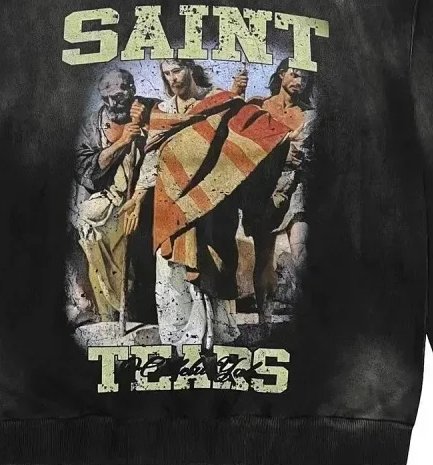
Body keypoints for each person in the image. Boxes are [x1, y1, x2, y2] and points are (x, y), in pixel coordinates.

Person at [118, 59, 291, 354]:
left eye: (177, 70)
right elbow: (152, 159)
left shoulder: (217, 102)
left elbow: (248, 128)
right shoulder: (162, 111)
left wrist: (278, 134)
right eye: (166, 73)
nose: (172, 78)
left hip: (210, 203)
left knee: (210, 267)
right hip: (169, 201)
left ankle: (210, 337)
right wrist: (137, 198)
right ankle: (179, 341)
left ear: (190, 68)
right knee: (171, 270)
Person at [73, 68, 156, 324]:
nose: (112, 103)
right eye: (106, 97)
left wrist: (145, 126)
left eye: (118, 96)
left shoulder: (151, 109)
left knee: (143, 268)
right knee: (101, 261)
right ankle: (110, 317)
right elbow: (84, 169)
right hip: (104, 212)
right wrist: (122, 142)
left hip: (145, 209)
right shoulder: (91, 125)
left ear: (131, 90)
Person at [242, 59, 316, 326]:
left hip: (297, 185)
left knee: (302, 252)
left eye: (304, 78)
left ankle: (308, 318)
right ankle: (264, 320)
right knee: (264, 257)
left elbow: (309, 153)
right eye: (295, 75)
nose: (299, 82)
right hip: (265, 186)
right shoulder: (261, 107)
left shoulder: (310, 114)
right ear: (282, 74)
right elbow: (248, 146)